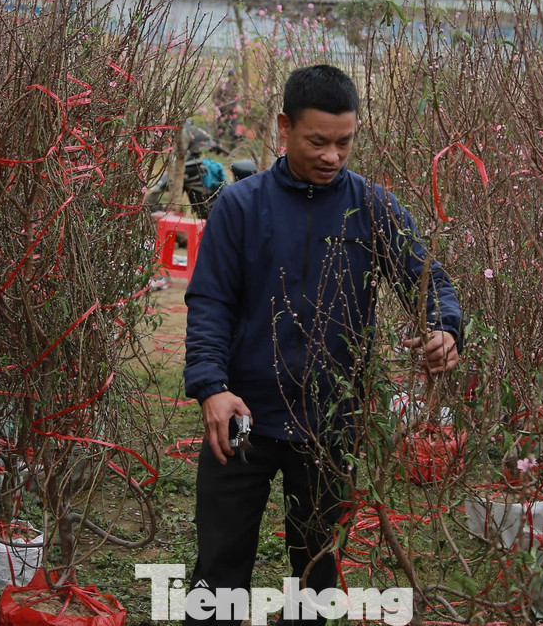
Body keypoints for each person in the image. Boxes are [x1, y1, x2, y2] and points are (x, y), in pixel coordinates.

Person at [182, 64, 462, 625]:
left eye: (344, 142)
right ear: (284, 127)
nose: (332, 156)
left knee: (316, 572)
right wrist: (211, 387)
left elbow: (428, 279)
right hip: (242, 415)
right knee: (219, 567)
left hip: (331, 423)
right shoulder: (240, 208)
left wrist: (444, 328)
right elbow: (210, 304)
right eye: (317, 141)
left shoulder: (373, 207)